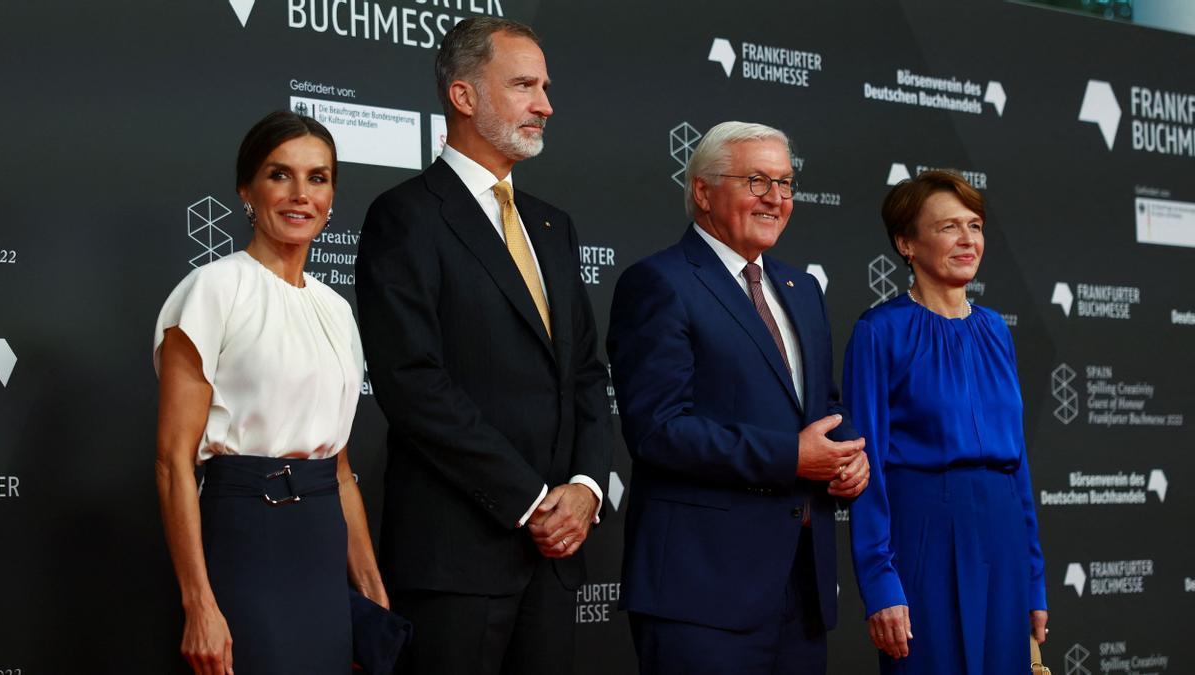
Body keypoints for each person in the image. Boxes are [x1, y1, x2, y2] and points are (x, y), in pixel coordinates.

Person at [354, 17, 611, 675]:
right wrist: (530, 499)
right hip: (457, 556)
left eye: (545, 86)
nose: (546, 104)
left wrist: (583, 486)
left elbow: (584, 370)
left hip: (555, 559)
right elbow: (412, 382)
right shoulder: (405, 215)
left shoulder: (554, 225)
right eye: (524, 84)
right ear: (463, 96)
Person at [606, 121, 870, 675]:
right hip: (701, 592)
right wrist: (791, 456)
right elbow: (657, 429)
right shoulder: (659, 283)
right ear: (703, 191)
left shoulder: (802, 289)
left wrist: (848, 458)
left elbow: (823, 406)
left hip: (801, 588)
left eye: (786, 183)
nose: (776, 198)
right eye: (757, 181)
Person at [153, 110, 387, 674]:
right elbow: (171, 463)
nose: (300, 194)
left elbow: (339, 469)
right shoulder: (213, 290)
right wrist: (199, 604)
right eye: (280, 175)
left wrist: (371, 589)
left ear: (332, 195)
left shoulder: (336, 311)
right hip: (244, 538)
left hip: (321, 547)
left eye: (318, 177)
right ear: (247, 190)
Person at [843, 170, 1049, 674]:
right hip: (923, 535)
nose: (967, 240)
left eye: (975, 226)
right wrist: (880, 583)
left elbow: (1017, 464)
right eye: (949, 227)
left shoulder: (996, 329)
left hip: (1001, 535)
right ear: (906, 243)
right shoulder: (879, 332)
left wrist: (1034, 579)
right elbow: (865, 469)